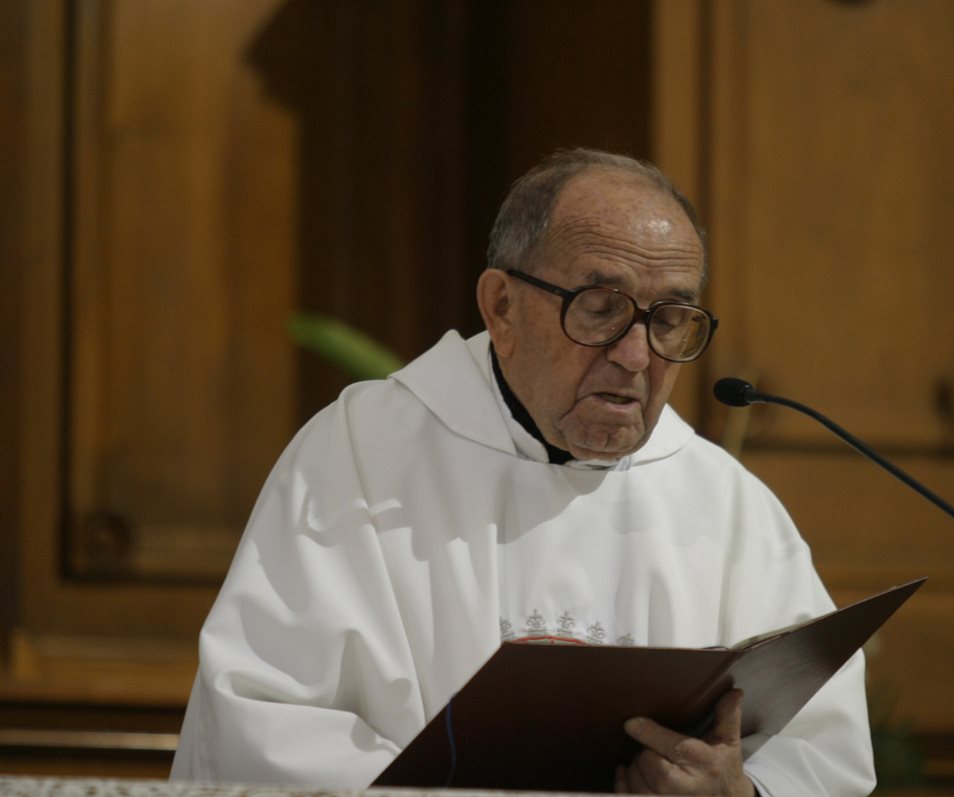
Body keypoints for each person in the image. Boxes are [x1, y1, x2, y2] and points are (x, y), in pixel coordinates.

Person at [171, 148, 875, 795]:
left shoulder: (725, 506)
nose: (636, 355)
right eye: (601, 309)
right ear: (501, 306)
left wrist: (741, 792)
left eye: (669, 320)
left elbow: (822, 749)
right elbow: (266, 722)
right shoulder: (358, 458)